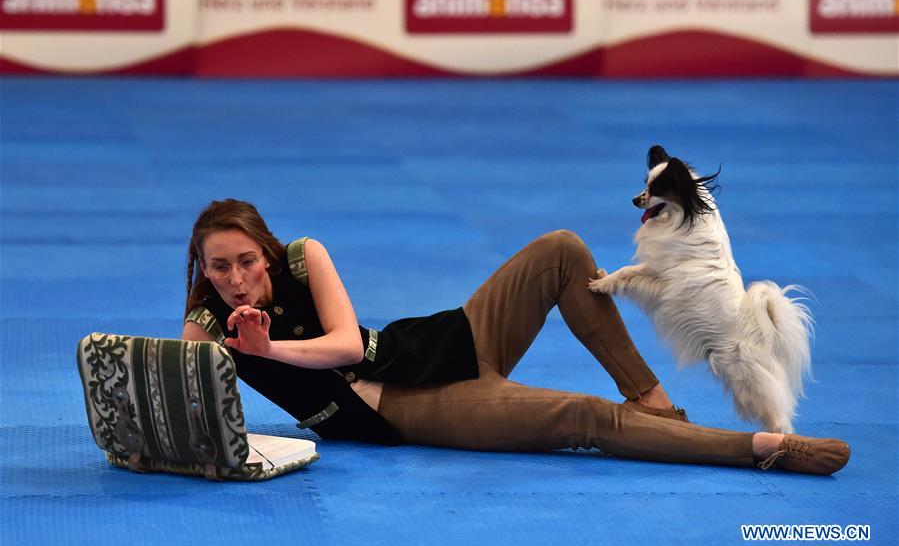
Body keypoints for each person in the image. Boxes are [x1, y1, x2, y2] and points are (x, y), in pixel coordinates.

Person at [181, 199, 849, 475]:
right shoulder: (210, 325)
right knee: (580, 416)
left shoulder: (302, 256)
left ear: (264, 253)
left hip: (446, 340)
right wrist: (233, 353)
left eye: (245, 260)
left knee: (561, 249)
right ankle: (761, 447)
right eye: (219, 266)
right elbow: (182, 392)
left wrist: (268, 349)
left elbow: (348, 347)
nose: (236, 278)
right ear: (203, 271)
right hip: (415, 409)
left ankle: (649, 398)